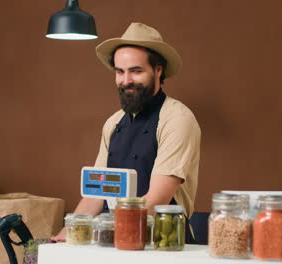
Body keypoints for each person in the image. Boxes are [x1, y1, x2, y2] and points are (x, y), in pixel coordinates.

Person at [52, 22, 201, 242]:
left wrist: (111, 234)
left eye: (136, 71)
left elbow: (156, 200)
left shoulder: (177, 119)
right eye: (120, 72)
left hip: (163, 243)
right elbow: (96, 193)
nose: (126, 81)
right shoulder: (113, 123)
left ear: (158, 70)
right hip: (117, 239)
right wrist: (66, 235)